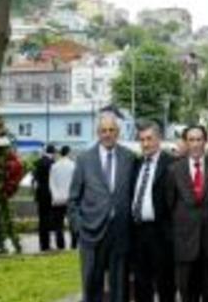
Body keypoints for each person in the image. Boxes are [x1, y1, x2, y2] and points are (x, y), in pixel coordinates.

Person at [68, 113, 136, 302]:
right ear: (98, 133)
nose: (107, 134)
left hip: (120, 234)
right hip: (91, 234)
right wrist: (79, 228)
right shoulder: (84, 160)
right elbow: (73, 199)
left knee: (120, 288)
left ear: (118, 132)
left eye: (111, 130)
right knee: (91, 287)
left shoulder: (129, 158)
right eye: (103, 130)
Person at [166, 125, 208, 302]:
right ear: (186, 143)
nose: (196, 144)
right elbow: (170, 206)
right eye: (191, 140)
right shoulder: (174, 170)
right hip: (185, 247)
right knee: (187, 296)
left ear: (205, 142)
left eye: (199, 139)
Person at [130, 121, 176, 302]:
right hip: (138, 232)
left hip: (162, 235)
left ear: (159, 140)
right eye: (142, 140)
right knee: (141, 285)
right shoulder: (136, 164)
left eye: (149, 139)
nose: (146, 144)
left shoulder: (172, 164)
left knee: (165, 285)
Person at [49, 145, 76, 249]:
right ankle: (74, 244)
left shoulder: (54, 166)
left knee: (58, 225)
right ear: (68, 153)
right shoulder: (73, 166)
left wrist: (55, 195)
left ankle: (60, 245)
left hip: (58, 199)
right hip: (70, 199)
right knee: (73, 224)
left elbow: (51, 183)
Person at [33, 144, 56, 251]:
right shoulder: (52, 163)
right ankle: (46, 244)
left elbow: (35, 178)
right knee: (48, 219)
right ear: (53, 153)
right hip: (48, 194)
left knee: (41, 220)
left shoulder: (38, 162)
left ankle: (42, 243)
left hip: (40, 193)